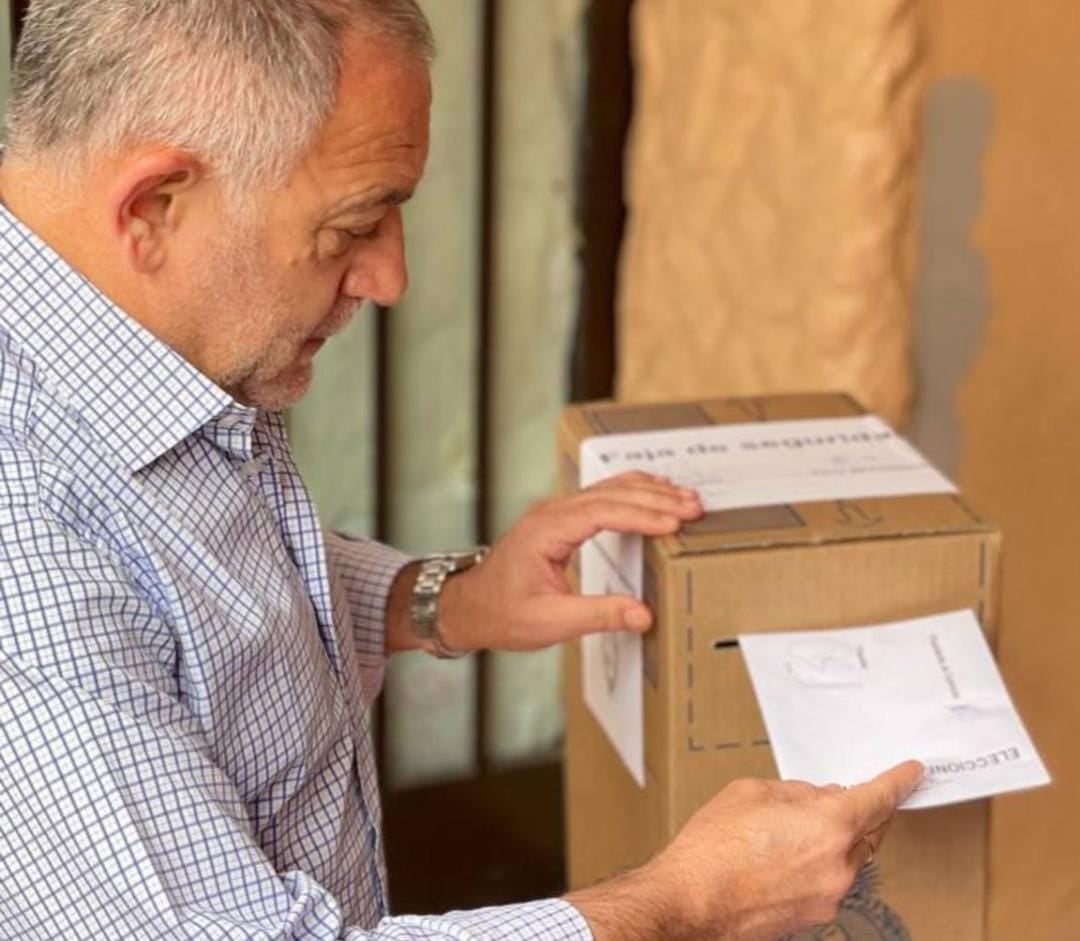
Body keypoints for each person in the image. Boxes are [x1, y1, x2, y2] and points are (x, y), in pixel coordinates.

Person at [0, 2, 922, 939]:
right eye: (353, 227)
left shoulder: (125, 338)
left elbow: (188, 589)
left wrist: (441, 599)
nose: (388, 278)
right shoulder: (25, 539)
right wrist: (691, 901)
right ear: (154, 207)